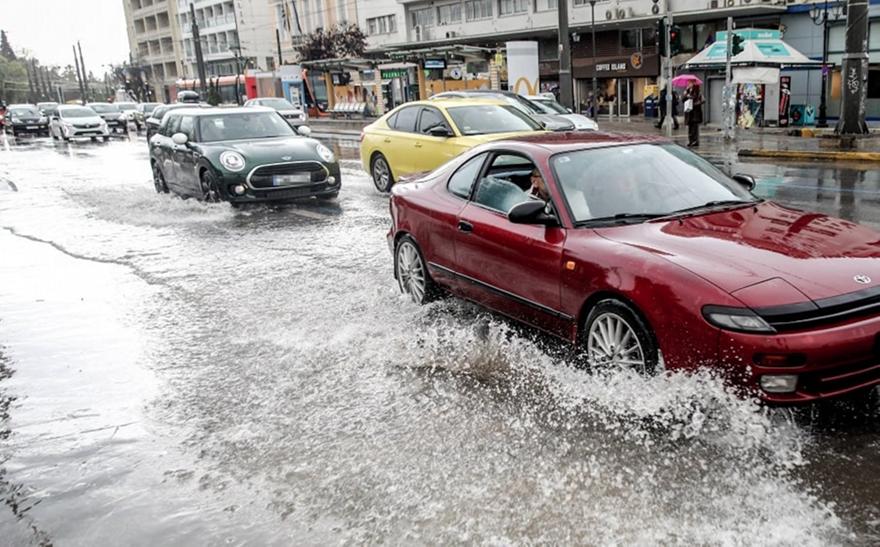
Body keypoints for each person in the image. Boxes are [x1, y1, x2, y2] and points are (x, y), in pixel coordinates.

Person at [684, 82, 704, 147]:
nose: (688, 84)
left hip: (695, 112)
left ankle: (695, 141)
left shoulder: (698, 91)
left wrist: (693, 101)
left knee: (694, 128)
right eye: (688, 83)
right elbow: (683, 100)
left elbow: (702, 101)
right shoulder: (687, 91)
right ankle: (690, 141)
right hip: (689, 112)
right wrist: (685, 95)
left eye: (690, 83)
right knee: (690, 127)